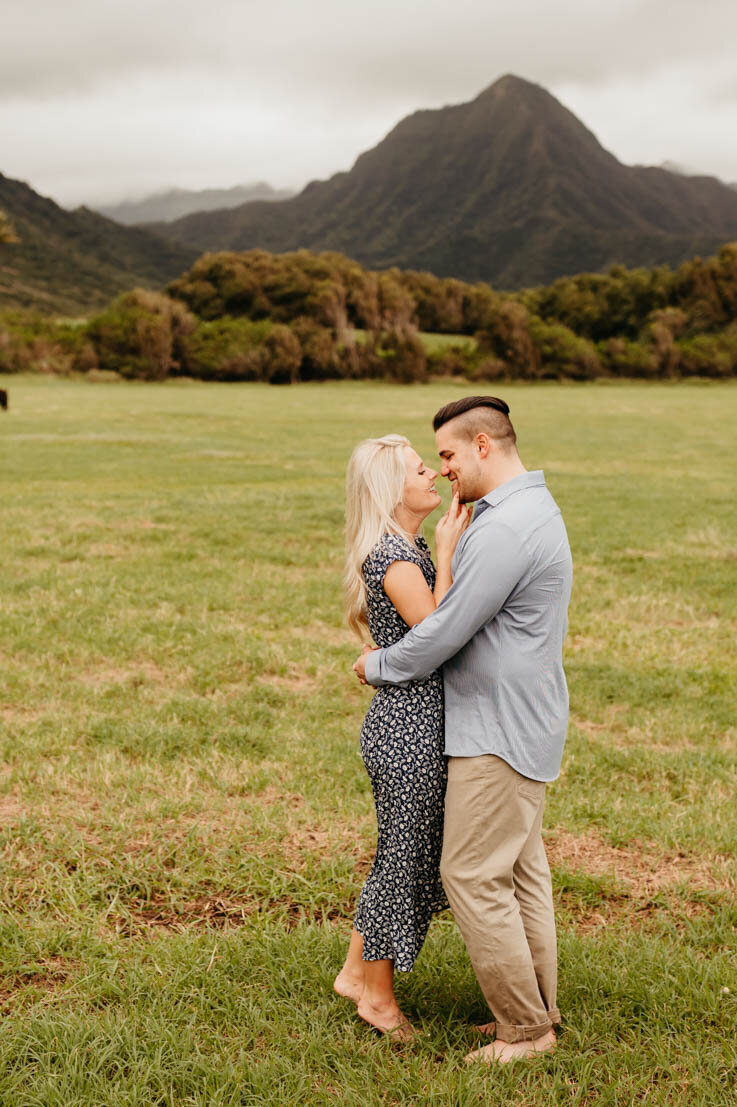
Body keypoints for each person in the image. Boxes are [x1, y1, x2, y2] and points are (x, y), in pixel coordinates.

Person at [352, 395, 573, 1065]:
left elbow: (443, 632)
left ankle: (526, 1030)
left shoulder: (505, 528)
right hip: (519, 721)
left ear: (483, 444)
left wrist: (377, 664)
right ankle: (538, 1011)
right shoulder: (527, 511)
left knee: (472, 874)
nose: (444, 468)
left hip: (496, 729)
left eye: (446, 453)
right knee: (520, 874)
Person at [332, 435, 472, 1041]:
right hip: (407, 730)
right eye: (421, 470)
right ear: (393, 488)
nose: (433, 477)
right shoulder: (396, 556)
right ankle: (379, 999)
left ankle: (352, 972)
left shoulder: (402, 546)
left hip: (415, 723)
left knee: (401, 852)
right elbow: (439, 631)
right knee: (405, 859)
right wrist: (447, 551)